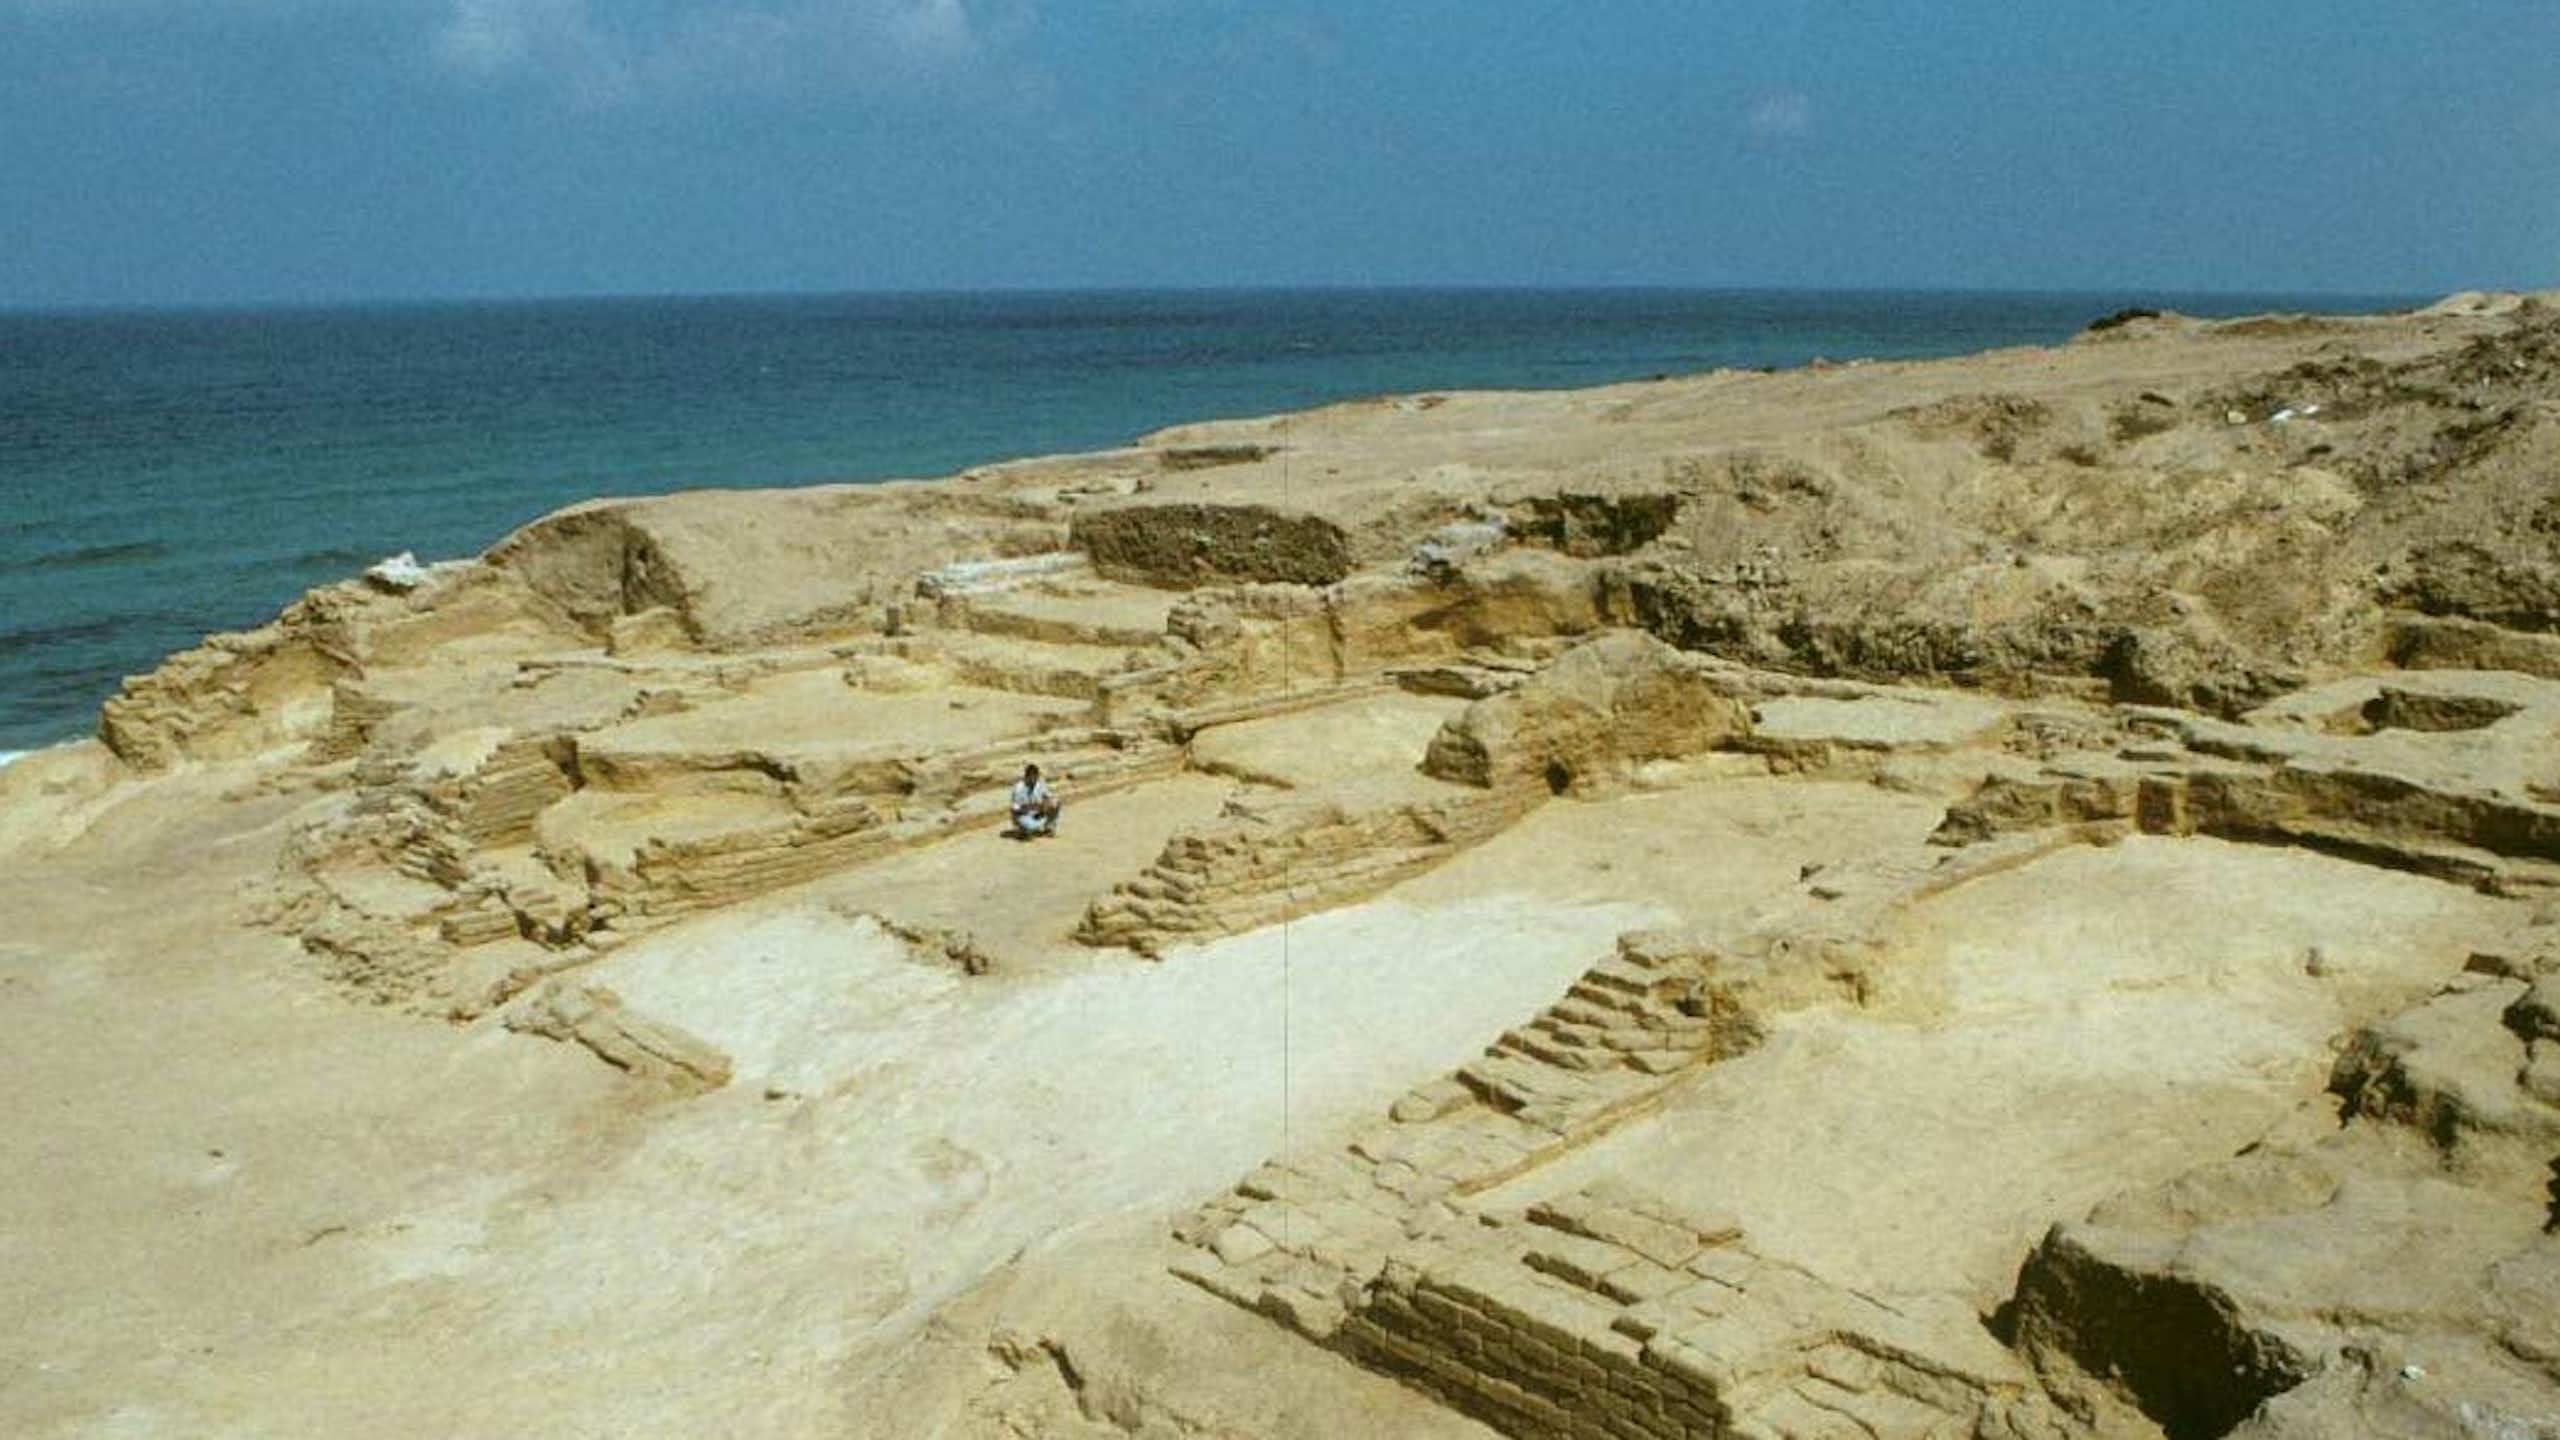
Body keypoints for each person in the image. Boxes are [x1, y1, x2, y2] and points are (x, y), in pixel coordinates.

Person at [1009, 763, 1060, 839]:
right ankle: (1021, 830)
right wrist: (1031, 807)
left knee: (1055, 802)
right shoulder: (1018, 788)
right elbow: (1015, 808)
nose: (1034, 780)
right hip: (1023, 815)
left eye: (1035, 777)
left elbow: (1049, 796)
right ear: (1026, 777)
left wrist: (1046, 804)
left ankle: (1049, 828)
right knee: (1029, 826)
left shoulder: (1040, 784)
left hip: (1038, 813)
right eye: (1031, 777)